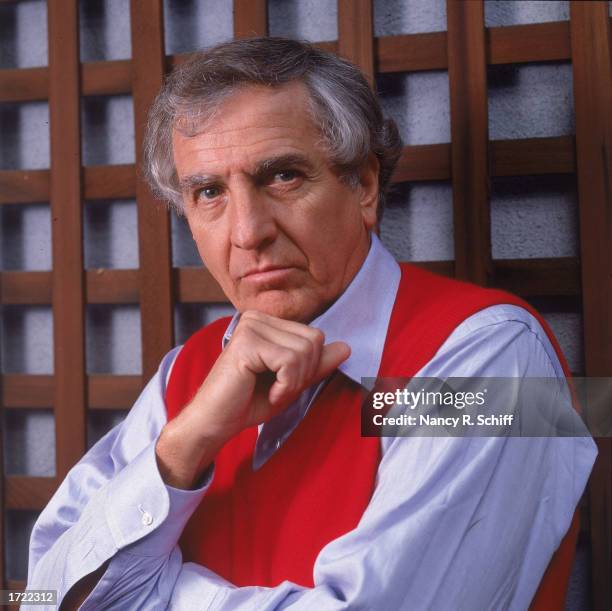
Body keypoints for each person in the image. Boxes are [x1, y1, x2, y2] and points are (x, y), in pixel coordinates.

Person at [26, 37, 596, 610]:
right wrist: (182, 448)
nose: (248, 232)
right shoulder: (189, 371)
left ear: (364, 184)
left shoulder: (494, 359)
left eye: (282, 176)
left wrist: (145, 592)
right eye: (209, 192)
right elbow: (45, 596)